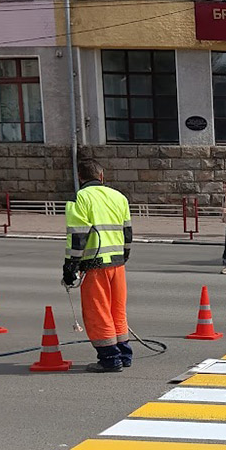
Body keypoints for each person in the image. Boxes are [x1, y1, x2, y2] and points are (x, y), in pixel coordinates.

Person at [62, 159, 133, 372]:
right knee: (117, 310)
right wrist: (123, 256)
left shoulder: (81, 198)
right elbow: (127, 233)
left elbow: (77, 236)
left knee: (98, 312)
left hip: (94, 265)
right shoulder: (119, 197)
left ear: (80, 177)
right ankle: (124, 353)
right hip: (117, 265)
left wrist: (71, 266)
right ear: (102, 176)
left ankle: (110, 359)